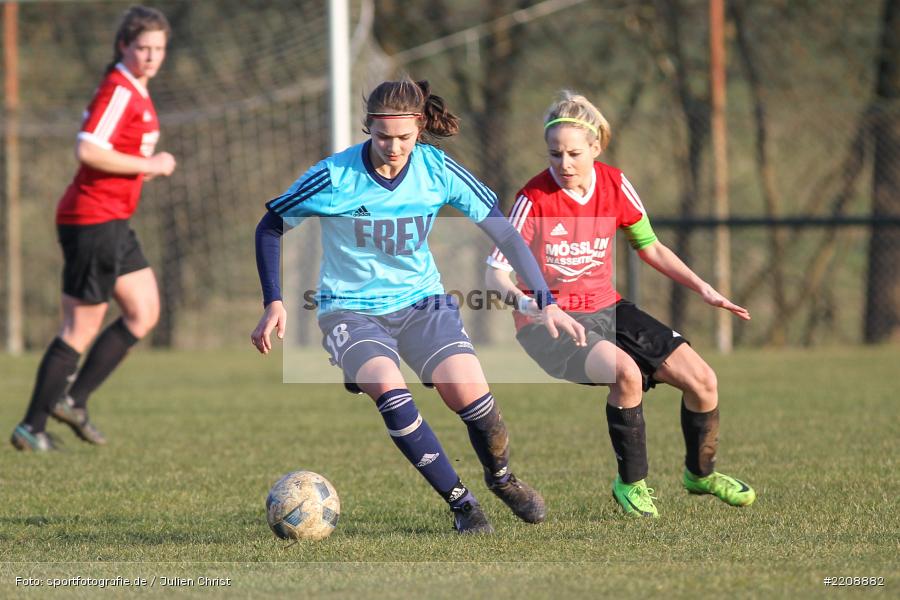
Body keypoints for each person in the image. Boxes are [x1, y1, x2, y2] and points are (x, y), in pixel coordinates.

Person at [251, 78, 586, 534]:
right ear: (368, 126)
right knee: (391, 391)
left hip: (422, 303)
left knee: (471, 397)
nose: (393, 147)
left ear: (420, 126)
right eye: (383, 136)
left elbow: (505, 232)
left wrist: (544, 300)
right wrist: (274, 301)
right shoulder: (335, 176)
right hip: (350, 309)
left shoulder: (438, 169)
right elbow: (269, 226)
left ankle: (502, 479)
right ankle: (462, 504)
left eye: (404, 137)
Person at [485, 91, 756, 518]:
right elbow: (494, 277)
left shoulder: (615, 184)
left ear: (596, 148)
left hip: (606, 307)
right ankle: (631, 484)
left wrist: (703, 287)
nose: (564, 163)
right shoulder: (533, 199)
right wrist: (537, 306)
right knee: (624, 372)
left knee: (703, 380)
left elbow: (651, 247)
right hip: (548, 326)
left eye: (574, 153)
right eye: (554, 154)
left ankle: (700, 474)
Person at [11, 6, 176, 452]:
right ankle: (32, 426)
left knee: (144, 311)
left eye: (158, 48)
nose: (151, 56)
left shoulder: (136, 88)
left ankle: (74, 400)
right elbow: (87, 149)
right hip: (92, 219)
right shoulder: (119, 88)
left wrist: (139, 172)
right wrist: (150, 165)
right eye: (142, 47)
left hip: (113, 221)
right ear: (124, 45)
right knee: (78, 329)